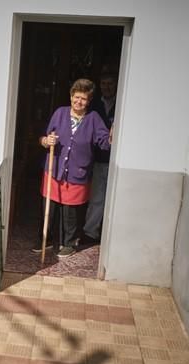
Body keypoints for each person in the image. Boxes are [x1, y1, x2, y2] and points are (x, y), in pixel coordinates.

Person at [33, 78, 111, 258]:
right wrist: (46, 141)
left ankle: (68, 243)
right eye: (76, 97)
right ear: (70, 97)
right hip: (55, 168)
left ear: (89, 101)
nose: (79, 102)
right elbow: (44, 137)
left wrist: (112, 137)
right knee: (49, 208)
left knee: (71, 212)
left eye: (83, 99)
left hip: (77, 171)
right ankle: (46, 239)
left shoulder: (93, 119)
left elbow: (104, 143)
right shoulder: (60, 113)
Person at [84, 72, 118, 244]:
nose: (107, 87)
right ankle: (90, 233)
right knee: (96, 197)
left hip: (117, 159)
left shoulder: (121, 104)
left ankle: (110, 236)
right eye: (103, 83)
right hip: (98, 159)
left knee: (114, 199)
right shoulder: (94, 105)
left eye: (110, 83)